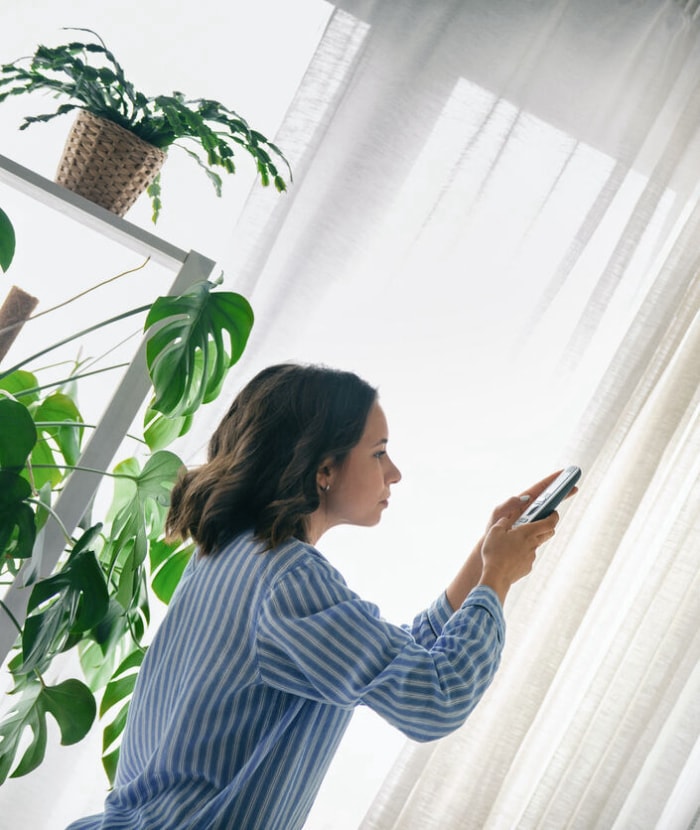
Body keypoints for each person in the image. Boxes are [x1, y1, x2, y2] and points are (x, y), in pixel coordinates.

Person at [67, 362, 563, 830]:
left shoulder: (231, 551)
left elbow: (391, 661)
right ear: (324, 469)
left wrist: (484, 556)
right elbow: (435, 698)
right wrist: (498, 578)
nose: (394, 472)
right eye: (378, 451)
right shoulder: (291, 579)